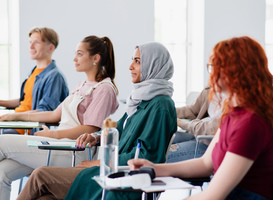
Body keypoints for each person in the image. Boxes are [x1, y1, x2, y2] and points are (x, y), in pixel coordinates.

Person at [17, 42, 177, 200]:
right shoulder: (142, 100)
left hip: (121, 179)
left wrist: (101, 163)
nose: (130, 67)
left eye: (137, 61)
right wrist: (96, 136)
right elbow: (119, 129)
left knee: (40, 175)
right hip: (112, 173)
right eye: (132, 60)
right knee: (44, 198)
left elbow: (147, 157)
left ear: (154, 66)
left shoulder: (160, 105)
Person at [128, 36, 273, 200]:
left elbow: (214, 195)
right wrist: (155, 168)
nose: (211, 74)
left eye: (215, 67)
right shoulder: (232, 114)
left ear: (235, 72)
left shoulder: (251, 123)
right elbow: (205, 163)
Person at [0, 35, 119, 200]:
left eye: (79, 54)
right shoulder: (81, 85)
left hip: (73, 150)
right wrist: (14, 116)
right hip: (56, 146)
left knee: (1, 142)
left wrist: (53, 135)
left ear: (95, 58)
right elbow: (54, 114)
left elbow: (91, 128)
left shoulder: (104, 89)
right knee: (2, 173)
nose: (74, 59)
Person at [0, 27, 69, 135]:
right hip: (15, 124)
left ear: (50, 48)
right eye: (30, 42)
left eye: (37, 42)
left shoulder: (54, 77)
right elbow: (25, 100)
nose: (31, 47)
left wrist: (13, 116)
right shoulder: (34, 71)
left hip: (26, 129)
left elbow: (46, 111)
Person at [167, 86, 223, 162]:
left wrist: (183, 124)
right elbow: (192, 110)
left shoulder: (237, 99)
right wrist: (168, 113)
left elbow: (214, 128)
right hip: (196, 134)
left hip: (210, 144)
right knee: (158, 140)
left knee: (161, 154)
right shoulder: (210, 90)